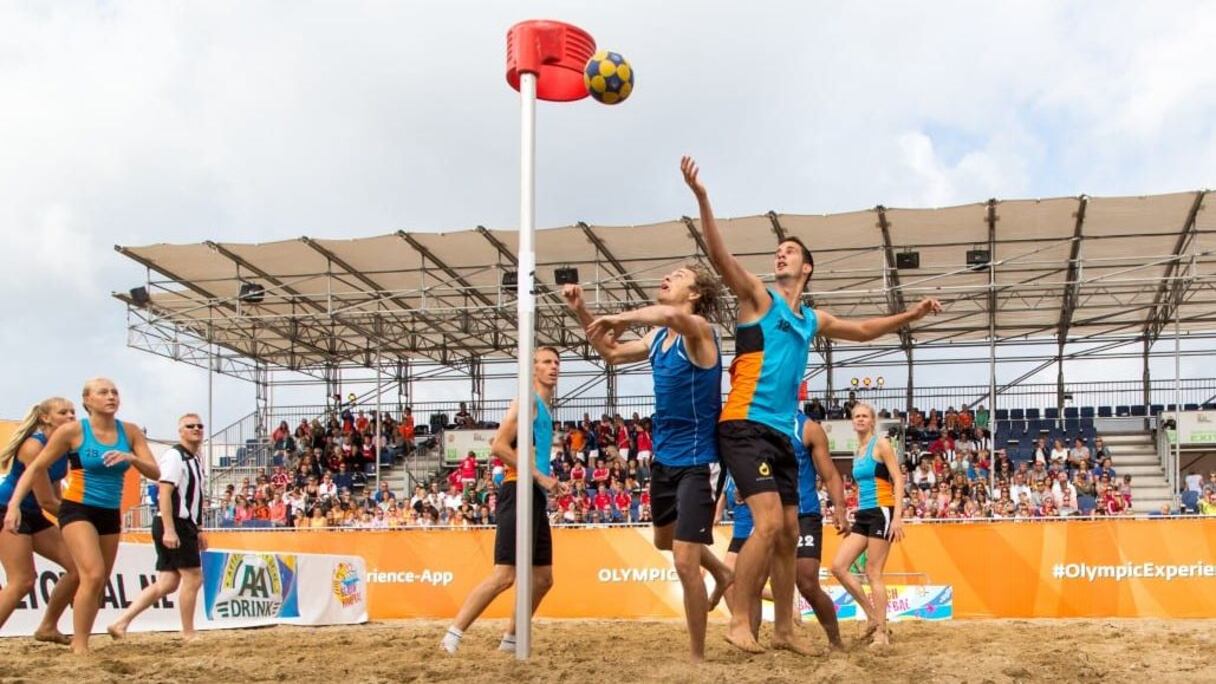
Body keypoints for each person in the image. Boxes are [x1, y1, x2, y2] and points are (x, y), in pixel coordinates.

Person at [680, 155, 939, 653]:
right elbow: (720, 258)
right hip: (744, 422)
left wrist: (912, 314)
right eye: (778, 251)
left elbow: (864, 330)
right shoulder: (759, 298)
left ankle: (784, 628)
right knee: (769, 524)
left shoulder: (810, 319)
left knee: (787, 533)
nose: (781, 255)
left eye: (791, 251)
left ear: (807, 267)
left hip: (781, 432)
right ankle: (740, 621)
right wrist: (704, 199)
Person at [564, 262, 734, 663]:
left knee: (684, 561)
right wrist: (582, 311)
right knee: (663, 540)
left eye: (680, 275)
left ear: (695, 294)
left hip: (699, 460)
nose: (669, 276)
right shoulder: (657, 337)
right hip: (664, 459)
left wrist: (620, 317)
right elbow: (609, 353)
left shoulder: (700, 330)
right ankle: (722, 572)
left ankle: (697, 657)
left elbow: (672, 317)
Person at [3, 378, 160, 654]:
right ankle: (79, 645)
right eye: (103, 392)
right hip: (32, 508)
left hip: (98, 512)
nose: (111, 396)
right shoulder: (59, 438)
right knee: (32, 579)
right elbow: (41, 486)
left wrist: (132, 459)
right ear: (88, 400)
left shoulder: (129, 431)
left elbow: (156, 472)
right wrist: (18, 506)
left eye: (114, 392)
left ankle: (53, 628)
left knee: (91, 577)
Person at [441, 347, 564, 655]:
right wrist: (541, 477)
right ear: (533, 369)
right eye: (546, 362)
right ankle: (452, 636)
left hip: (534, 493)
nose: (554, 367)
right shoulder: (526, 402)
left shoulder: (543, 409)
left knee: (543, 578)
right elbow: (498, 446)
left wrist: (544, 480)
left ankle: (510, 639)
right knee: (504, 575)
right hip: (518, 488)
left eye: (556, 362)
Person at [108, 413, 208, 639]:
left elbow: (196, 498)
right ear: (180, 431)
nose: (196, 429)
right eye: (190, 426)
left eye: (199, 426)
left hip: (181, 523)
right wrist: (170, 529)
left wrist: (199, 528)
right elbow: (165, 491)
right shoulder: (175, 456)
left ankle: (121, 622)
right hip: (174, 522)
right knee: (193, 577)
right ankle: (188, 632)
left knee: (167, 582)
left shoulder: (194, 458)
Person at [0, 398, 80, 643]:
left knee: (80, 568)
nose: (71, 416)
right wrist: (82, 520)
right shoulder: (33, 446)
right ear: (45, 418)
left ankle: (48, 627)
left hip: (32, 514)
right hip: (7, 510)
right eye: (63, 412)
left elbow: (55, 496)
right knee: (22, 581)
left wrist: (74, 520)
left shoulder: (62, 447)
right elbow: (47, 501)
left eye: (73, 412)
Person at [830, 403, 905, 648]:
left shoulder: (881, 444)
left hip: (882, 511)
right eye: (856, 416)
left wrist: (897, 517)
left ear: (872, 421)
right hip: (864, 513)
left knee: (873, 572)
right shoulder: (859, 450)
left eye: (864, 416)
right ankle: (873, 617)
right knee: (839, 566)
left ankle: (881, 633)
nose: (860, 419)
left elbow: (898, 478)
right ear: (852, 421)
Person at [792, 411, 848, 650]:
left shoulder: (807, 428)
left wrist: (840, 508)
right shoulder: (758, 422)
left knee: (806, 582)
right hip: (769, 515)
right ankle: (754, 641)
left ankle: (836, 641)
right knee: (755, 580)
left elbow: (830, 474)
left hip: (804, 512)